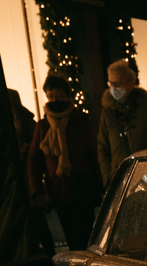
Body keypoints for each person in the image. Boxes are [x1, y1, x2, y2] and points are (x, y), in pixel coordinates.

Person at [29, 73, 101, 252]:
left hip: (82, 188)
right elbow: (34, 159)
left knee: (84, 238)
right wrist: (38, 190)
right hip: (58, 190)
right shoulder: (43, 126)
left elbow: (94, 154)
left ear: (68, 97)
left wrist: (100, 183)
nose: (55, 100)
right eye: (51, 96)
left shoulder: (80, 121)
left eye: (59, 96)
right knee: (70, 238)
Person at [97, 59, 147, 187]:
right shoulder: (108, 113)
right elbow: (103, 147)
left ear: (130, 84)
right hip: (119, 179)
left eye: (117, 84)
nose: (113, 89)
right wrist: (108, 178)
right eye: (111, 84)